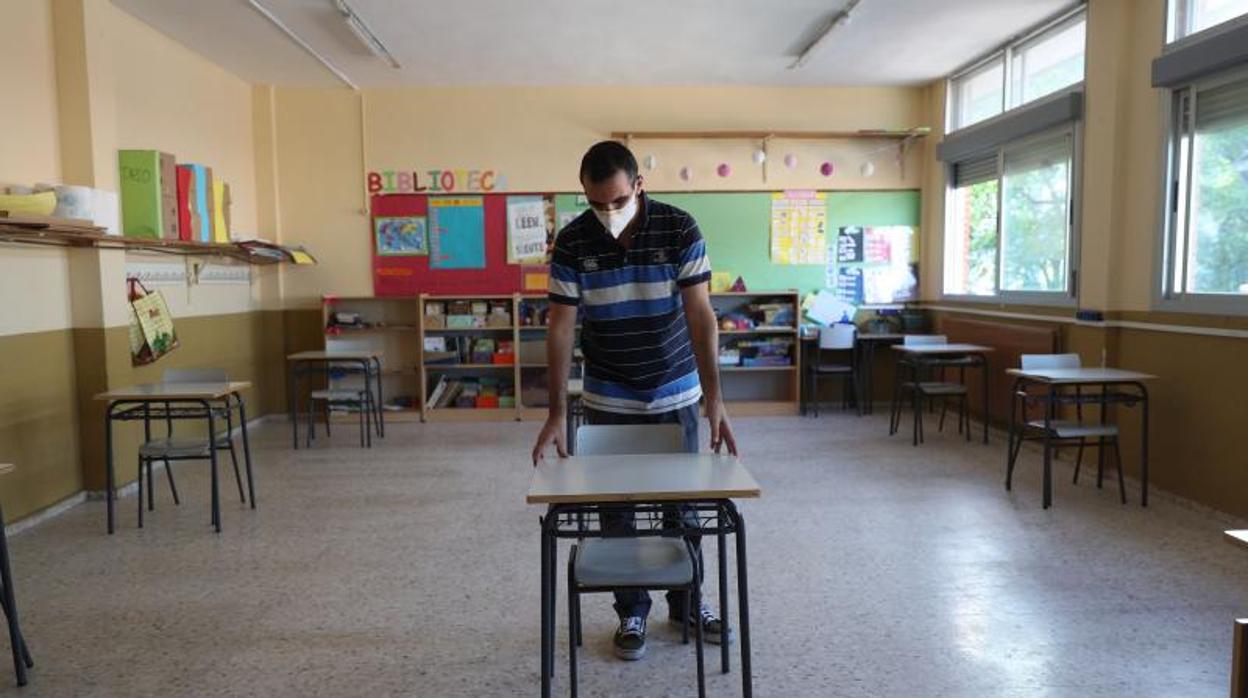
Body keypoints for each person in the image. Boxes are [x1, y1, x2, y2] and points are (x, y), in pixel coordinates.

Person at [531, 140, 738, 661]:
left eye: (617, 200)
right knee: (616, 516)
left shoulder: (678, 227)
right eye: (595, 203)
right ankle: (632, 613)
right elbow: (560, 326)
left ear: (639, 186)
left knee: (683, 511)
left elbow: (700, 315)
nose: (607, 213)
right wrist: (557, 412)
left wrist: (715, 400)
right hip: (609, 395)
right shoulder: (575, 241)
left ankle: (687, 603)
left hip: (676, 391)